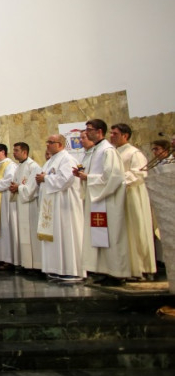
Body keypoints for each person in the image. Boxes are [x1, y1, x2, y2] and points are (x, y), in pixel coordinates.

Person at [74, 119, 129, 286]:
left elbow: (114, 177)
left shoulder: (108, 151)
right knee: (100, 237)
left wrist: (88, 177)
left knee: (112, 236)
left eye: (89, 130)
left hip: (108, 201)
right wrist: (82, 174)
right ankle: (105, 270)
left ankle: (117, 273)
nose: (86, 132)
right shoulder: (95, 151)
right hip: (97, 200)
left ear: (99, 132)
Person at [110, 123, 156, 279]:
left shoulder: (134, 153)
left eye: (115, 134)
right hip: (118, 196)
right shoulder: (113, 152)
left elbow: (140, 174)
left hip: (133, 195)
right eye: (111, 133)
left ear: (125, 135)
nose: (111, 136)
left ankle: (143, 268)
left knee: (137, 229)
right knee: (123, 232)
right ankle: (126, 267)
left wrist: (116, 180)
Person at [37, 135, 85, 281]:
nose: (47, 145)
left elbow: (66, 180)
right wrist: (41, 179)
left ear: (60, 144)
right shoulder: (51, 161)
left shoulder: (67, 159)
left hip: (65, 205)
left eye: (50, 142)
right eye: (47, 142)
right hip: (52, 206)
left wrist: (45, 178)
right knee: (56, 237)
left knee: (67, 235)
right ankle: (56, 268)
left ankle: (72, 270)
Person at [8, 142, 43, 271]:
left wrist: (19, 188)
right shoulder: (18, 167)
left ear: (24, 152)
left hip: (31, 205)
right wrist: (14, 188)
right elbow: (16, 184)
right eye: (14, 150)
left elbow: (31, 189)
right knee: (23, 235)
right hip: (21, 204)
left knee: (32, 236)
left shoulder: (33, 167)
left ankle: (36, 265)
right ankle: (26, 264)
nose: (14, 153)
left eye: (16, 150)